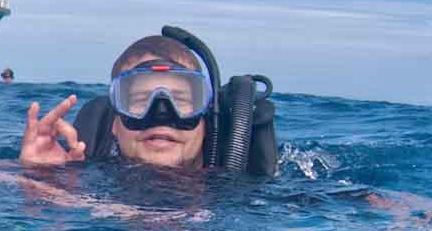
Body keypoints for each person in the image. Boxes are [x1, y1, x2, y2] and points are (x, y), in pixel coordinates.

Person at [18, 33, 276, 173]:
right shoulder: (83, 184)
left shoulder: (250, 194)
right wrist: (40, 176)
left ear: (206, 118)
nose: (162, 113)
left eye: (182, 100)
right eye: (140, 100)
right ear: (115, 124)